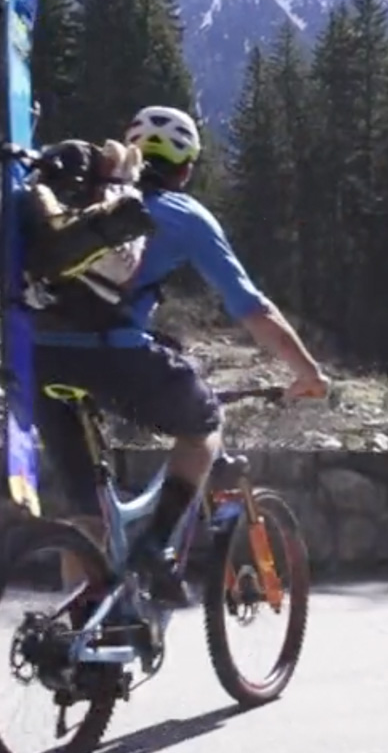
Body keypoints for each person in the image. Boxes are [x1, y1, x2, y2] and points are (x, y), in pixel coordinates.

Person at [33, 105, 330, 608]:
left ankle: (78, 636)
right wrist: (309, 372)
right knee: (204, 424)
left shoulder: (78, 201)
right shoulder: (182, 214)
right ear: (186, 166)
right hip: (114, 358)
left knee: (87, 515)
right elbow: (252, 308)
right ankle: (155, 547)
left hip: (39, 359)